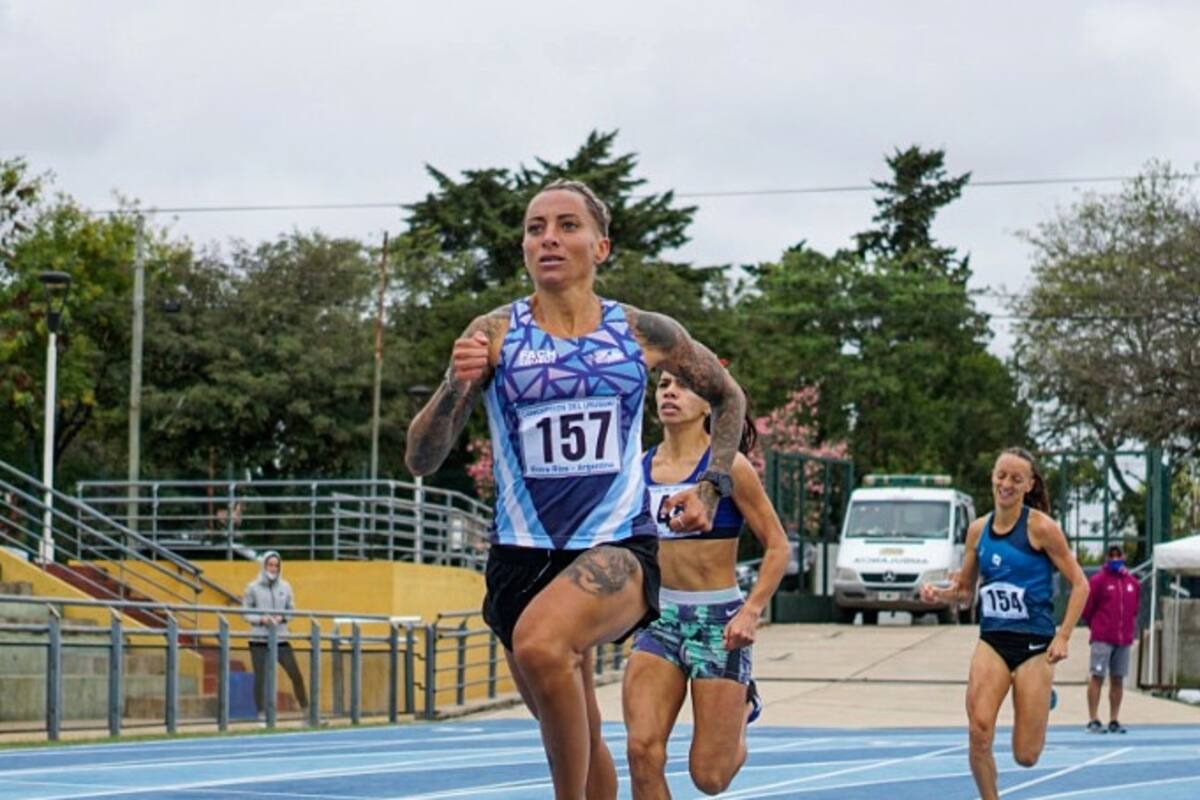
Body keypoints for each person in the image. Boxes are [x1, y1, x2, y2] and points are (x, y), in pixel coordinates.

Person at [405, 179, 745, 800]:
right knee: (578, 738)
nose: (549, 239)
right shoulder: (495, 334)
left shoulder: (642, 332)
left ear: (601, 246)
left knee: (542, 646)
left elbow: (728, 398)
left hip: (616, 547)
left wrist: (711, 487)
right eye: (535, 229)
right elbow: (421, 460)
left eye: (566, 226)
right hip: (519, 559)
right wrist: (456, 383)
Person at [623, 371, 789, 798]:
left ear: (708, 405)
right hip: (659, 620)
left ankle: (743, 706)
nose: (670, 392)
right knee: (641, 752)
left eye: (683, 386)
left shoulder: (727, 467)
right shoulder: (636, 468)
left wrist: (751, 612)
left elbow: (778, 547)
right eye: (663, 385)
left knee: (710, 778)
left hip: (719, 625)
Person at [919, 447, 1089, 800]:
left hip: (1035, 646)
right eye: (1001, 476)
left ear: (1029, 485)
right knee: (979, 731)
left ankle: (1042, 695)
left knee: (1026, 756)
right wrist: (940, 595)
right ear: (992, 478)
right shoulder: (978, 530)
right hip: (993, 640)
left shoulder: (1041, 528)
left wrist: (1063, 636)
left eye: (1016, 478)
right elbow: (965, 592)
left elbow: (1080, 585)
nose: (1006, 484)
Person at [1081, 543, 1139, 734]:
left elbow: (1134, 609)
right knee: (1097, 676)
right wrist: (1097, 628)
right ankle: (1093, 718)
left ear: (1124, 557)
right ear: (1106, 558)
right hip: (1102, 638)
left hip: (1123, 639)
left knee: (1118, 678)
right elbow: (1088, 608)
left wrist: (1128, 630)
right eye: (1111, 555)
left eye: (1118, 555)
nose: (1115, 559)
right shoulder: (1098, 581)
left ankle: (1114, 718)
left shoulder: (1132, 583)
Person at [243, 550, 308, 717]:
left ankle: (307, 711)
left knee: (295, 674)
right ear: (264, 565)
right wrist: (261, 619)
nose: (273, 568)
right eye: (270, 565)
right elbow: (246, 612)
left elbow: (291, 609)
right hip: (259, 639)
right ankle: (261, 714)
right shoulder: (252, 587)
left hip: (281, 638)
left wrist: (283, 617)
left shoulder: (285, 587)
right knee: (260, 677)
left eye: (276, 566)